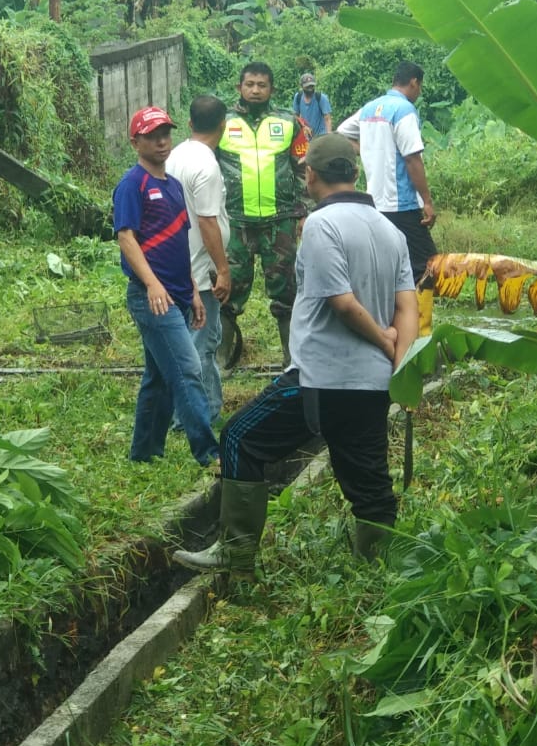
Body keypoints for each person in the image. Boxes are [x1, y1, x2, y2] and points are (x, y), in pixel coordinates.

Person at [174, 133, 418, 574]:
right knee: (368, 479)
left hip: (319, 378)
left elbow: (339, 302)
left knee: (238, 438)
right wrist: (397, 360)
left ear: (310, 175)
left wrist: (384, 342)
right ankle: (379, 569)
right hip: (372, 382)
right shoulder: (390, 229)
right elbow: (408, 306)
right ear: (355, 172)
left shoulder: (322, 226)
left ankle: (235, 553)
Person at [114, 105, 222, 468]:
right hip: (152, 299)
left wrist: (192, 290)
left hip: (178, 293)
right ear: (135, 142)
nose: (161, 141)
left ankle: (143, 454)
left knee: (158, 377)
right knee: (188, 368)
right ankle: (209, 454)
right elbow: (126, 238)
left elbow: (180, 241)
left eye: (165, 134)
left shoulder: (172, 185)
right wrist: (153, 285)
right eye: (151, 135)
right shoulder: (133, 185)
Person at [215, 62, 311, 366]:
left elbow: (302, 169)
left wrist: (304, 213)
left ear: (272, 89)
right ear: (239, 88)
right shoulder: (221, 122)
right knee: (227, 292)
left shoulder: (289, 122)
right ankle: (220, 361)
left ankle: (291, 361)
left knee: (286, 293)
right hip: (234, 221)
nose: (255, 90)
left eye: (262, 85)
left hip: (279, 221)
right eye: (250, 84)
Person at [337, 61, 438, 334]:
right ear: (414, 82)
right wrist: (426, 200)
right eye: (420, 86)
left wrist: (366, 150)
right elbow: (412, 158)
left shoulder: (371, 108)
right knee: (427, 267)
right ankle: (419, 333)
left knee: (388, 266)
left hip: (375, 204)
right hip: (402, 204)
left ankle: (390, 325)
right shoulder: (404, 109)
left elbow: (341, 134)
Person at [165, 95, 232, 425]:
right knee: (201, 345)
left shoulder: (175, 155)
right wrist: (223, 269)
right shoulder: (206, 165)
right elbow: (207, 221)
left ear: (190, 123)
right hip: (199, 272)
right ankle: (199, 415)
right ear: (224, 124)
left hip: (176, 266)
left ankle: (184, 413)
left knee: (182, 344)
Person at [291, 72, 332, 137]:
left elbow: (327, 119)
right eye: (307, 86)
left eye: (312, 86)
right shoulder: (298, 97)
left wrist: (329, 136)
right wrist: (303, 126)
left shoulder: (321, 98)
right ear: (302, 86)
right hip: (306, 135)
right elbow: (295, 116)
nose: (310, 88)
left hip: (321, 135)